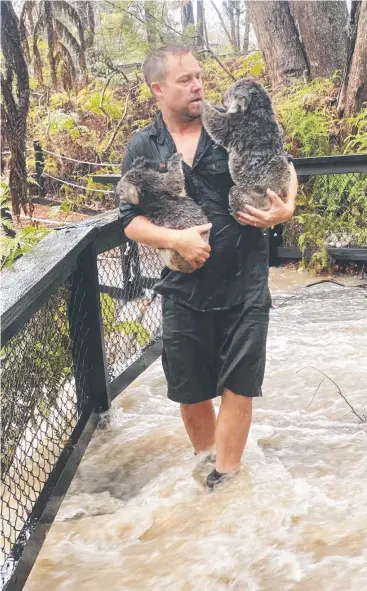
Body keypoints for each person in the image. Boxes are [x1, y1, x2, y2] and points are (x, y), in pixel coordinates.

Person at [119, 44, 298, 490]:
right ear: (157, 88)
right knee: (190, 388)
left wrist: (287, 206)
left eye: (199, 76)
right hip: (182, 284)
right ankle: (207, 468)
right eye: (185, 80)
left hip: (245, 277)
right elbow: (129, 221)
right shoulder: (143, 146)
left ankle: (226, 479)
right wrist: (174, 238)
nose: (198, 85)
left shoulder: (229, 125)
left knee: (240, 382)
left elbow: (283, 163)